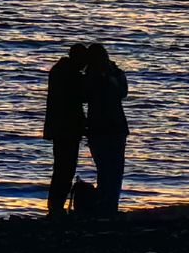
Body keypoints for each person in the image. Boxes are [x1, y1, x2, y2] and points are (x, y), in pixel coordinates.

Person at [43, 41, 88, 216]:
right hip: (67, 128)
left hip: (60, 127)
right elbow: (81, 96)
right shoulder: (71, 74)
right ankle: (56, 205)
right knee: (66, 168)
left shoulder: (60, 71)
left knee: (62, 167)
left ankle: (55, 205)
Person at [85, 42, 129, 216]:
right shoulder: (91, 75)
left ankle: (110, 204)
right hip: (100, 127)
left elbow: (121, 92)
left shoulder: (114, 73)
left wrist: (107, 76)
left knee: (112, 169)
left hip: (112, 127)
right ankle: (105, 204)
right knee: (105, 168)